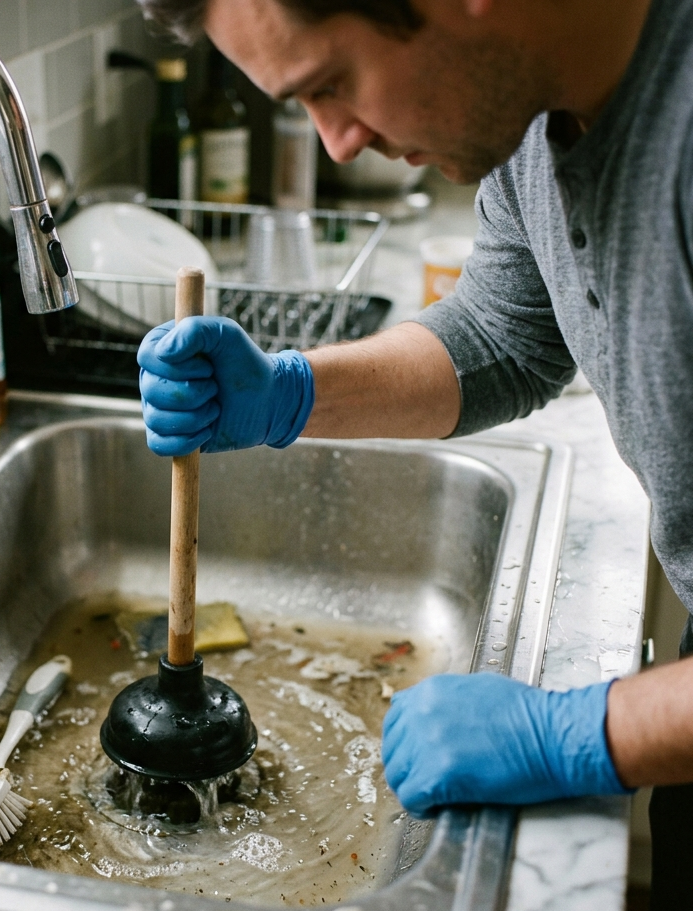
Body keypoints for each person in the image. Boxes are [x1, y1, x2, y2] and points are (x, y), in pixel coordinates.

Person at [132, 0, 693, 904]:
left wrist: (588, 732)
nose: (338, 143)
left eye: (331, 84)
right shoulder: (532, 112)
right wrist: (289, 392)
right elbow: (507, 333)